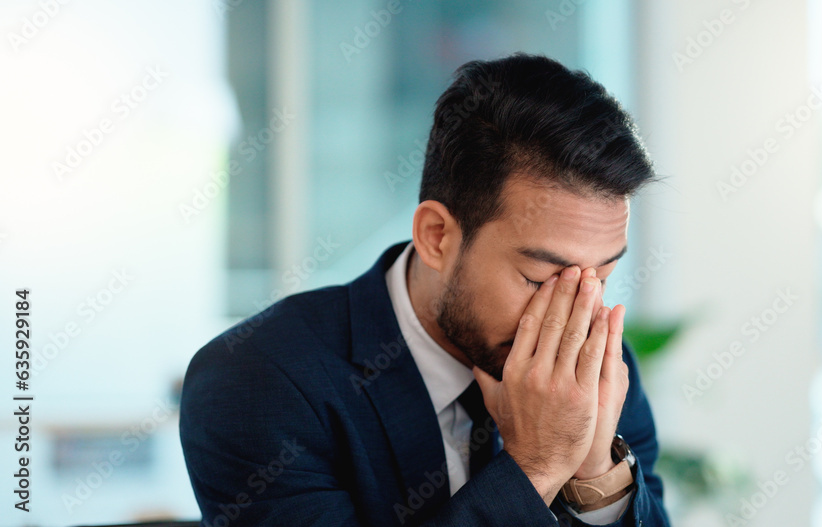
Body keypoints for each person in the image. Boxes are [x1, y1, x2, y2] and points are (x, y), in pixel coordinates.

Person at [180, 53, 671, 526]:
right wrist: (537, 468)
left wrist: (595, 475)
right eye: (540, 279)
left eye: (600, 279)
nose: (572, 317)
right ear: (437, 236)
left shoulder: (598, 374)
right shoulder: (258, 381)